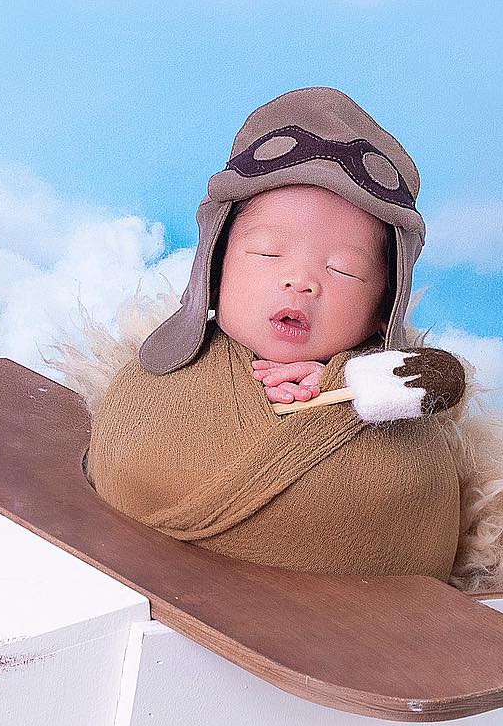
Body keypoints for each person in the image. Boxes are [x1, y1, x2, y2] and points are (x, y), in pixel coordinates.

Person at [84, 86, 466, 579]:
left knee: (385, 486)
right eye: (268, 253)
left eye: (343, 269)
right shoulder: (155, 385)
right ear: (215, 266)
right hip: (146, 573)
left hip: (346, 609)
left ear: (383, 306)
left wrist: (343, 386)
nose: (300, 281)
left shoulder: (381, 393)